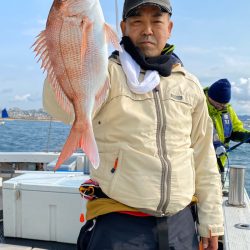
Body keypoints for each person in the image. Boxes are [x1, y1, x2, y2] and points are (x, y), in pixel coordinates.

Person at [44, 0, 224, 249]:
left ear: (169, 28)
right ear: (123, 27)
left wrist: (211, 222)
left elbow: (204, 158)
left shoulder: (189, 85)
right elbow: (58, 109)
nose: (147, 29)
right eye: (137, 21)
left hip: (181, 226)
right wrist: (65, 44)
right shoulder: (107, 74)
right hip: (119, 225)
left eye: (156, 21)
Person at [204, 78, 250, 178]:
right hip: (200, 165)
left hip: (219, 165)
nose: (222, 107)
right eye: (218, 104)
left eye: (224, 104)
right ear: (209, 97)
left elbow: (235, 130)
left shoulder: (227, 109)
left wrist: (246, 136)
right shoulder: (198, 106)